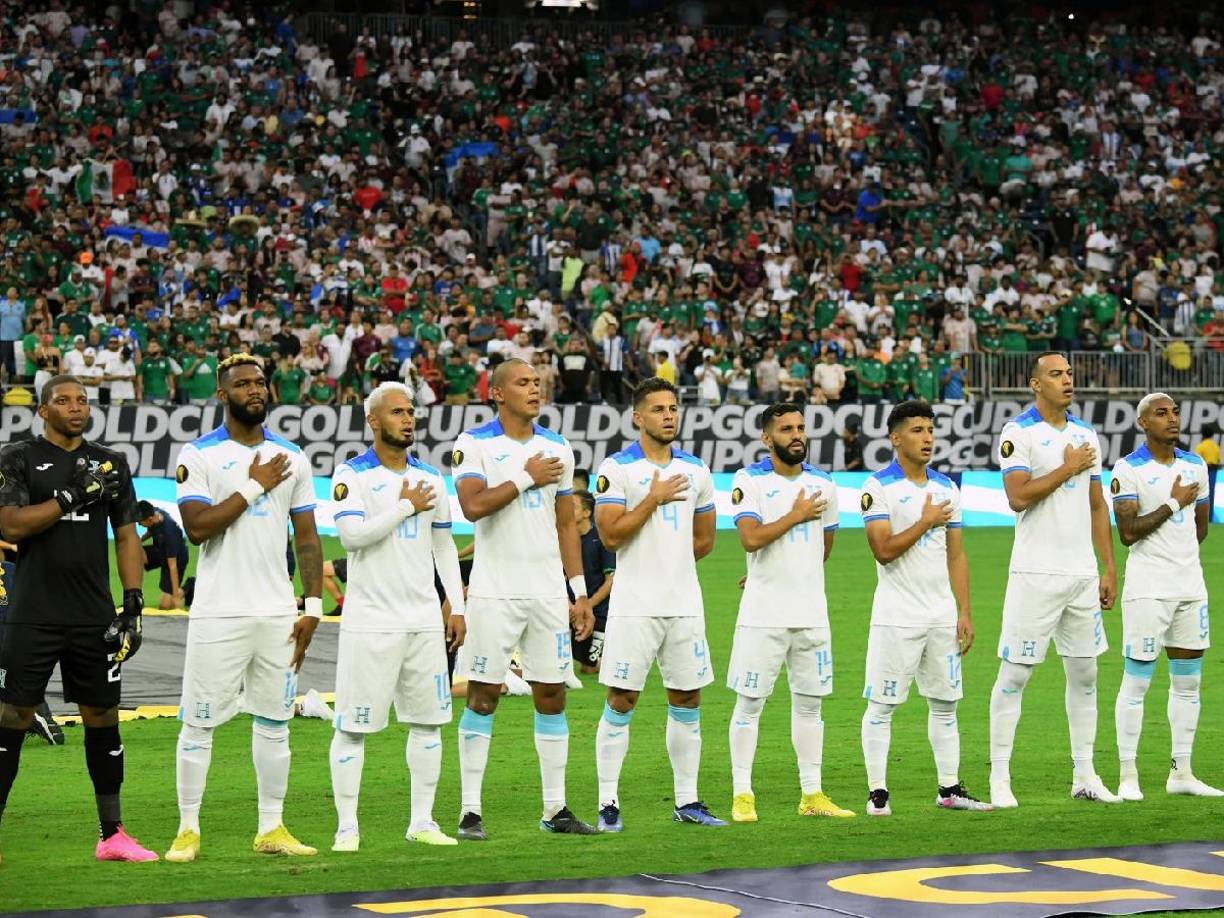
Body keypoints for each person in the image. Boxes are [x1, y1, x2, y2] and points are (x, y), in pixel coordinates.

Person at [166, 354, 324, 863]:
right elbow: (197, 527)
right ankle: (187, 830)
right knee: (199, 723)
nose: (255, 390)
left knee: (276, 721)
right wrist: (255, 484)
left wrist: (313, 604)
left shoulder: (291, 456)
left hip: (277, 611)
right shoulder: (200, 454)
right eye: (243, 384)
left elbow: (306, 537)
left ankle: (271, 827)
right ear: (222, 393)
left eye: (260, 382)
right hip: (218, 610)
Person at [0, 374, 157, 862]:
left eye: (82, 400)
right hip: (32, 614)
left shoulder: (111, 463)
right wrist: (70, 497)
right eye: (63, 400)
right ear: (43, 410)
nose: (75, 407)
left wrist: (132, 602)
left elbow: (127, 535)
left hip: (93, 615)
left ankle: (112, 835)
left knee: (103, 717)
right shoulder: (16, 457)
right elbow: (9, 524)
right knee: (12, 717)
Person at [450, 357, 597, 839]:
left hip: (547, 594)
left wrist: (579, 594)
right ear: (497, 393)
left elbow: (564, 526)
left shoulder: (557, 447)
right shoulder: (474, 444)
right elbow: (472, 506)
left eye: (538, 382)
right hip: (494, 592)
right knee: (484, 694)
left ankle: (555, 809)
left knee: (551, 694)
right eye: (523, 382)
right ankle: (469, 811)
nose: (535, 389)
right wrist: (525, 477)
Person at [327, 382, 468, 851]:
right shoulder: (352, 475)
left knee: (428, 724)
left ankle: (422, 822)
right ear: (373, 420)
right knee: (352, 726)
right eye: (397, 413)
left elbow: (443, 545)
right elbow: (352, 538)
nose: (408, 420)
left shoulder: (431, 477)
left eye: (411, 412)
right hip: (371, 619)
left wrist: (457, 605)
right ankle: (347, 826)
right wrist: (406, 505)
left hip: (424, 620)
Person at [592, 377, 726, 832]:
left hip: (685, 603)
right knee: (622, 698)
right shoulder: (617, 469)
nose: (669, 415)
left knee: (687, 698)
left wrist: (670, 562)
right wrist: (653, 498)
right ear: (638, 417)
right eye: (659, 409)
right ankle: (607, 800)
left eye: (673, 408)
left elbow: (705, 540)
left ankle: (687, 800)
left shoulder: (697, 470)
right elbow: (610, 535)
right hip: (634, 605)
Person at [989, 352, 1120, 808]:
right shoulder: (1018, 432)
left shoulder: (1086, 436)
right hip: (1034, 573)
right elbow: (1017, 497)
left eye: (1069, 373)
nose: (1067, 380)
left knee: (1085, 674)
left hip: (1081, 574)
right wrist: (1067, 467)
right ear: (1035, 384)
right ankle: (1000, 778)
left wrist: (1107, 566)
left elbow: (1097, 504)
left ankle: (1085, 774)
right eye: (1056, 375)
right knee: (1015, 674)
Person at [858, 400, 988, 816]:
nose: (928, 437)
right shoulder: (877, 487)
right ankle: (877, 792)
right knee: (882, 705)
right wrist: (925, 521)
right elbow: (883, 551)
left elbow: (957, 555)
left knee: (946, 703)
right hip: (896, 615)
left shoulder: (947, 488)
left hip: (940, 615)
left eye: (930, 429)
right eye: (917, 430)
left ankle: (949, 789)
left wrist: (963, 611)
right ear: (896, 438)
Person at [726, 403, 853, 822]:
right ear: (767, 438)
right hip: (763, 613)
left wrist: (790, 569)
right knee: (750, 703)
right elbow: (749, 538)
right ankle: (742, 794)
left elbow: (824, 547)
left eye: (801, 427)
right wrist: (796, 515)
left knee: (811, 705)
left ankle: (812, 794)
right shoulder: (750, 480)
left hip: (812, 613)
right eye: (786, 429)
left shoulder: (825, 483)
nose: (797, 434)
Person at [1111, 393, 1219, 799]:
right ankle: (1127, 775)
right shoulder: (1128, 469)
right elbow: (1127, 533)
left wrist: (1182, 528)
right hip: (1148, 590)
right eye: (1161, 413)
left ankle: (1182, 772)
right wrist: (1174, 501)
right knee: (1137, 682)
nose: (1172, 419)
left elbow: (1201, 527)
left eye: (1175, 412)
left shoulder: (1196, 465)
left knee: (1188, 684)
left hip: (1190, 586)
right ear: (1143, 423)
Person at [569, 490, 615, 675]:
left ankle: (617, 648)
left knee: (589, 667)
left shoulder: (601, 539)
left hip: (598, 612)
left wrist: (587, 605)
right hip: (569, 611)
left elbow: (611, 581)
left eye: (572, 507)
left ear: (587, 513)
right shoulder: (563, 539)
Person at [136, 500, 189, 610]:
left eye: (140, 522)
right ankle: (135, 595)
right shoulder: (153, 514)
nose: (139, 524)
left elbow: (173, 566)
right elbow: (151, 530)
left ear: (149, 520)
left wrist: (175, 596)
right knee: (134, 553)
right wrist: (139, 542)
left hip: (176, 558)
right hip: (160, 549)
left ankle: (189, 587)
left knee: (164, 606)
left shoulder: (169, 532)